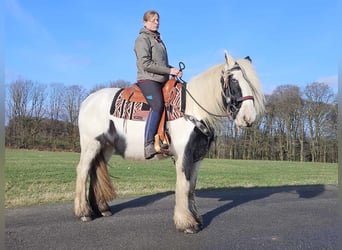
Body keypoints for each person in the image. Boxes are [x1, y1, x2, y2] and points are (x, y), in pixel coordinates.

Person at [134, 10, 182, 159]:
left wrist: (173, 71)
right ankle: (148, 144)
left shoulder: (158, 40)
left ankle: (166, 138)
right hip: (148, 79)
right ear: (145, 22)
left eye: (158, 20)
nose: (157, 22)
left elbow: (161, 63)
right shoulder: (142, 39)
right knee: (157, 105)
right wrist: (168, 70)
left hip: (161, 79)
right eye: (153, 20)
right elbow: (145, 63)